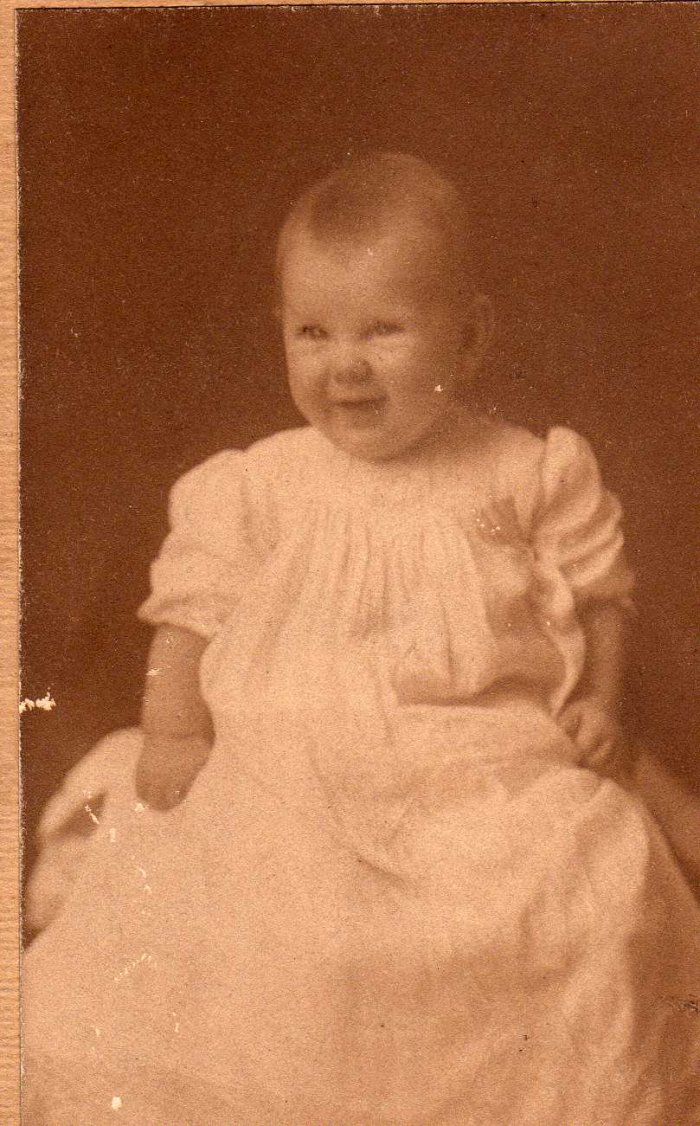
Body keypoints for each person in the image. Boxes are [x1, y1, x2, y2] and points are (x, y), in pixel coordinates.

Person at [22, 153, 700, 1124]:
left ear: (468, 337)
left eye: (383, 330)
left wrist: (596, 698)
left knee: (572, 877)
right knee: (238, 900)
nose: (345, 364)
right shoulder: (261, 486)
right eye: (313, 332)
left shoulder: (523, 473)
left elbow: (600, 596)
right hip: (289, 753)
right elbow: (189, 614)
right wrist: (173, 728)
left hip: (479, 759)